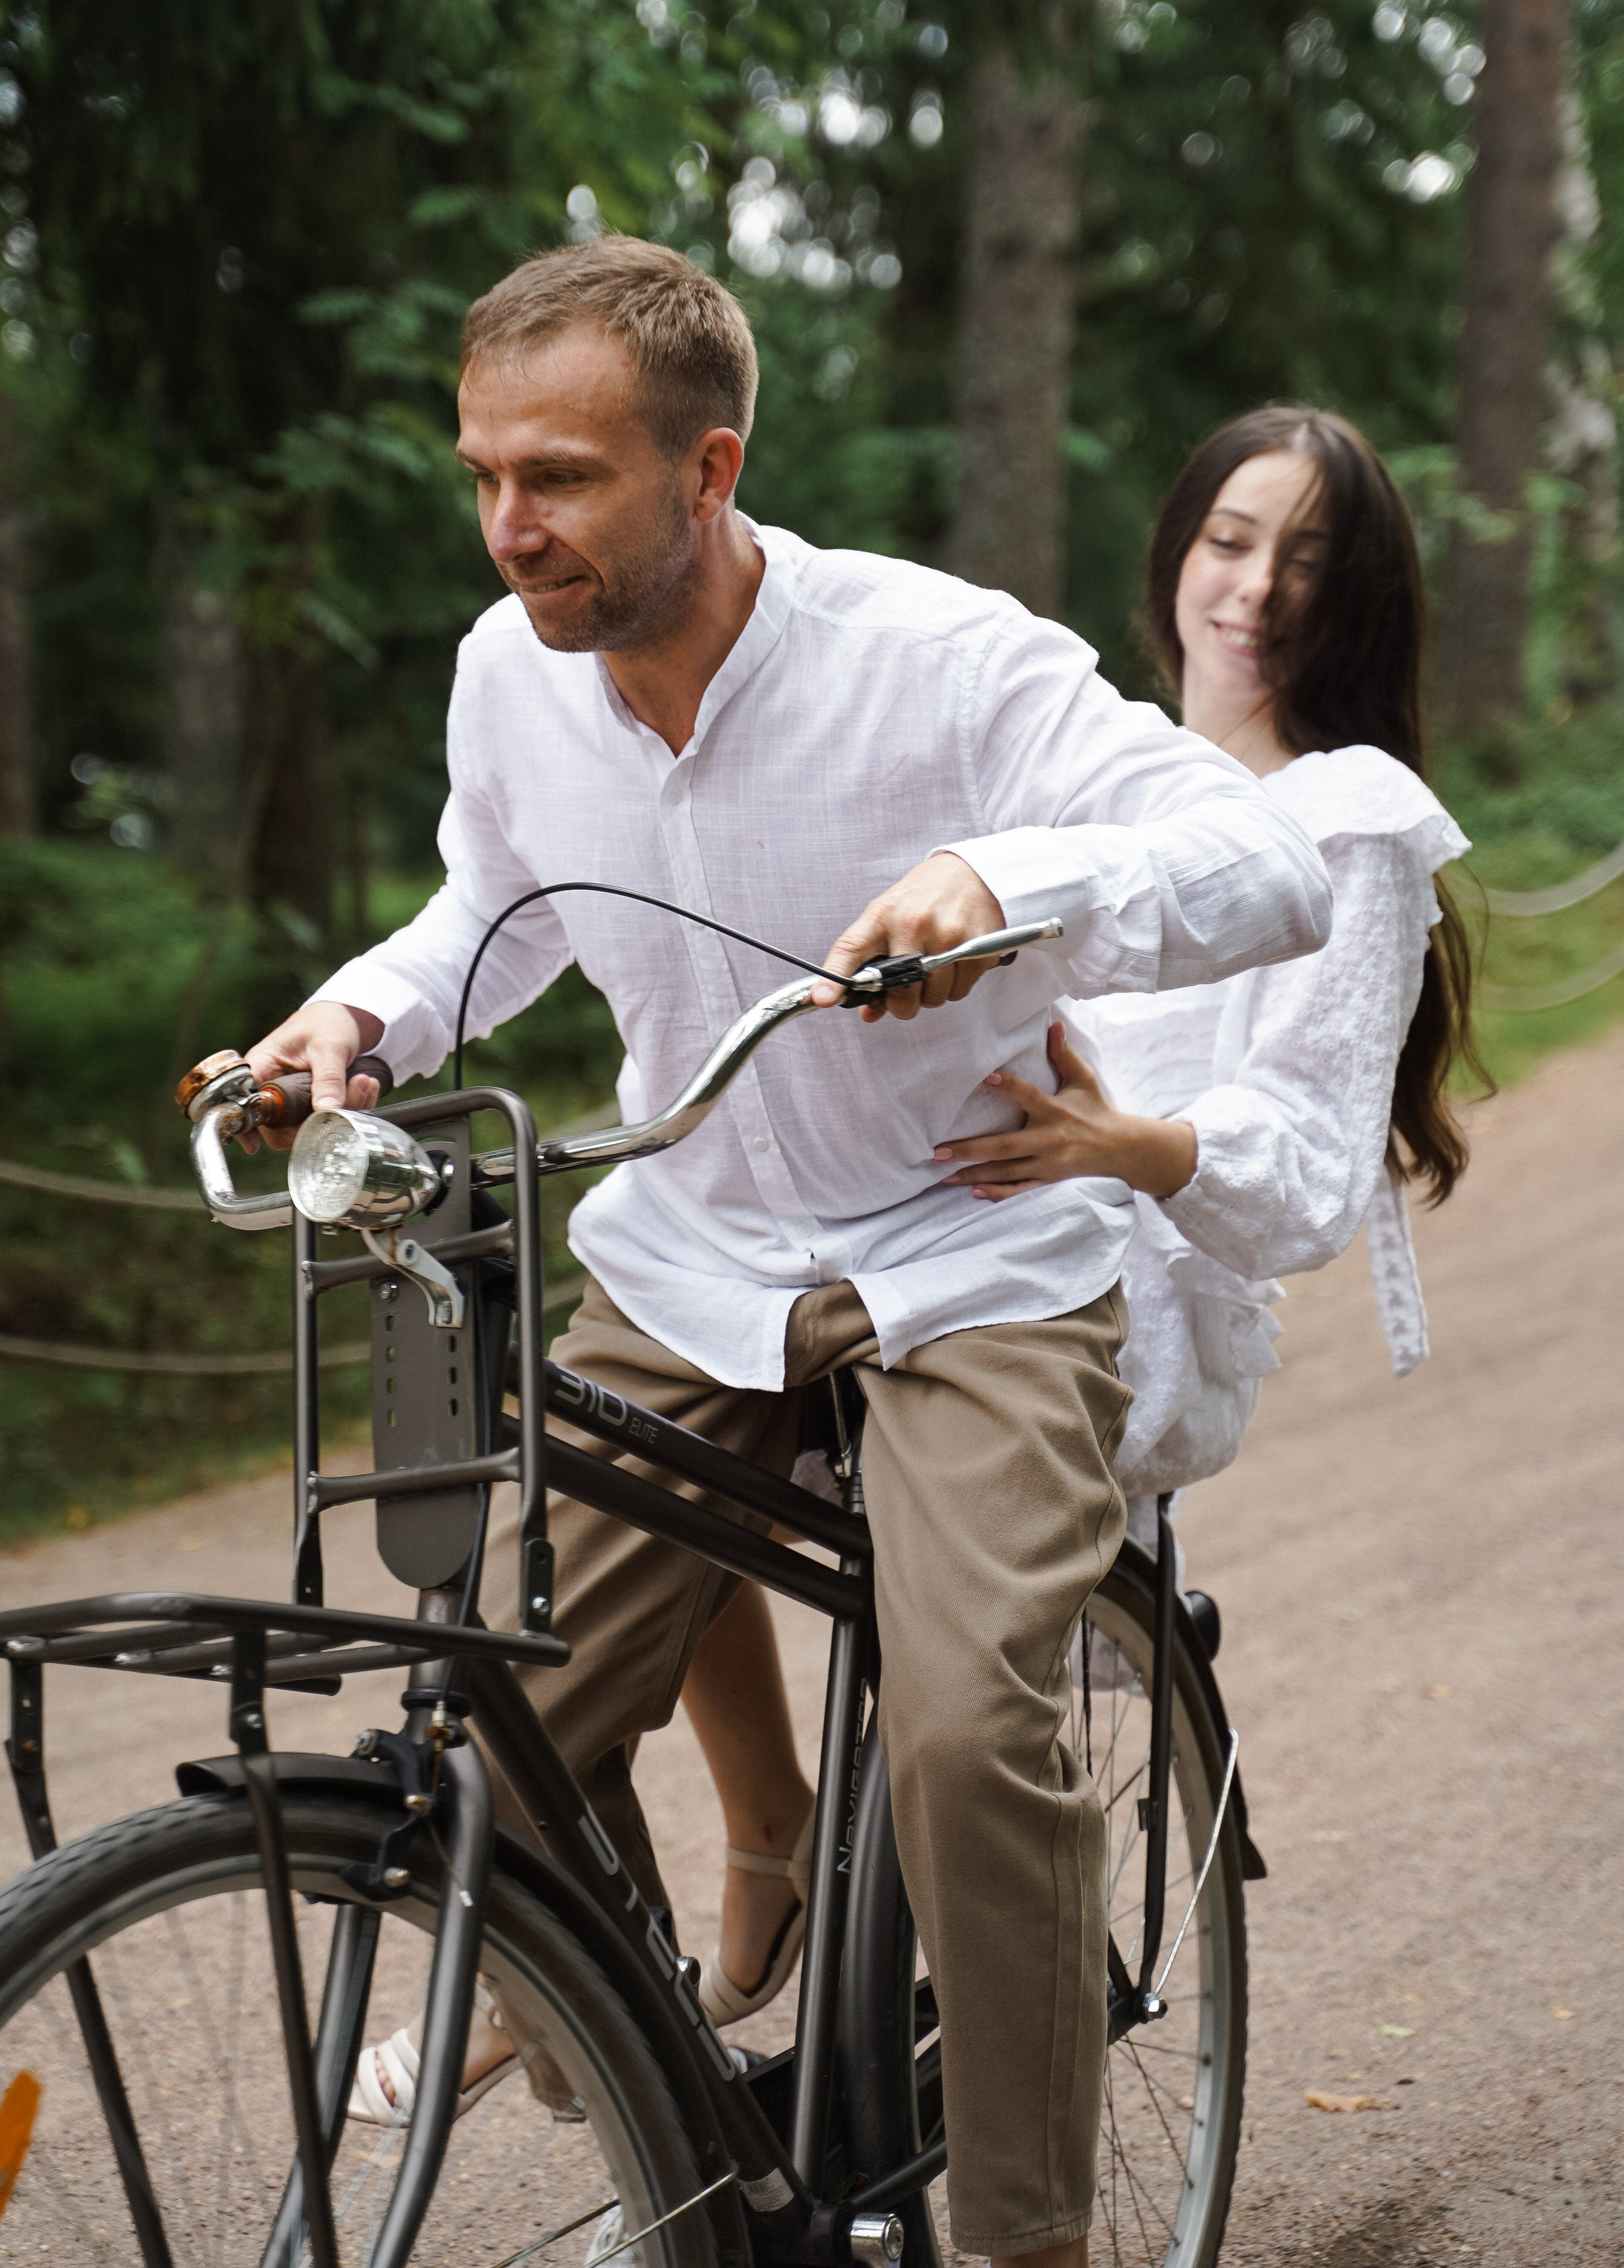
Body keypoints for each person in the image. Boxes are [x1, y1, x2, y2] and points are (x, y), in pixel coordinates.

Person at [240, 242, 1332, 2268]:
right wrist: (359, 1024)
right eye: (482, 473)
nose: (508, 529)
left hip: (975, 1247)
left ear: (711, 467)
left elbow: (1270, 863)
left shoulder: (939, 660)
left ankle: (1028, 2241)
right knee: (496, 1711)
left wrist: (1003, 872)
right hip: (702, 1247)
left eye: (558, 478)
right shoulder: (515, 669)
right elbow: (495, 904)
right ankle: (671, 2112)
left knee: (958, 1728)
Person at [682, 404, 1479, 2028]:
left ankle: (932, 2017)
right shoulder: (1090, 762)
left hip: (1127, 1298)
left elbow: (1314, 1150)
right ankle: (761, 1842)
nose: (1253, 590)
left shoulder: (1353, 818)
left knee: (938, 1681)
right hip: (933, 1234)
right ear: (1175, 555)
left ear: (1361, 600)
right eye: (1228, 542)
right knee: (644, 1414)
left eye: (1305, 560)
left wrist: (1134, 1141)